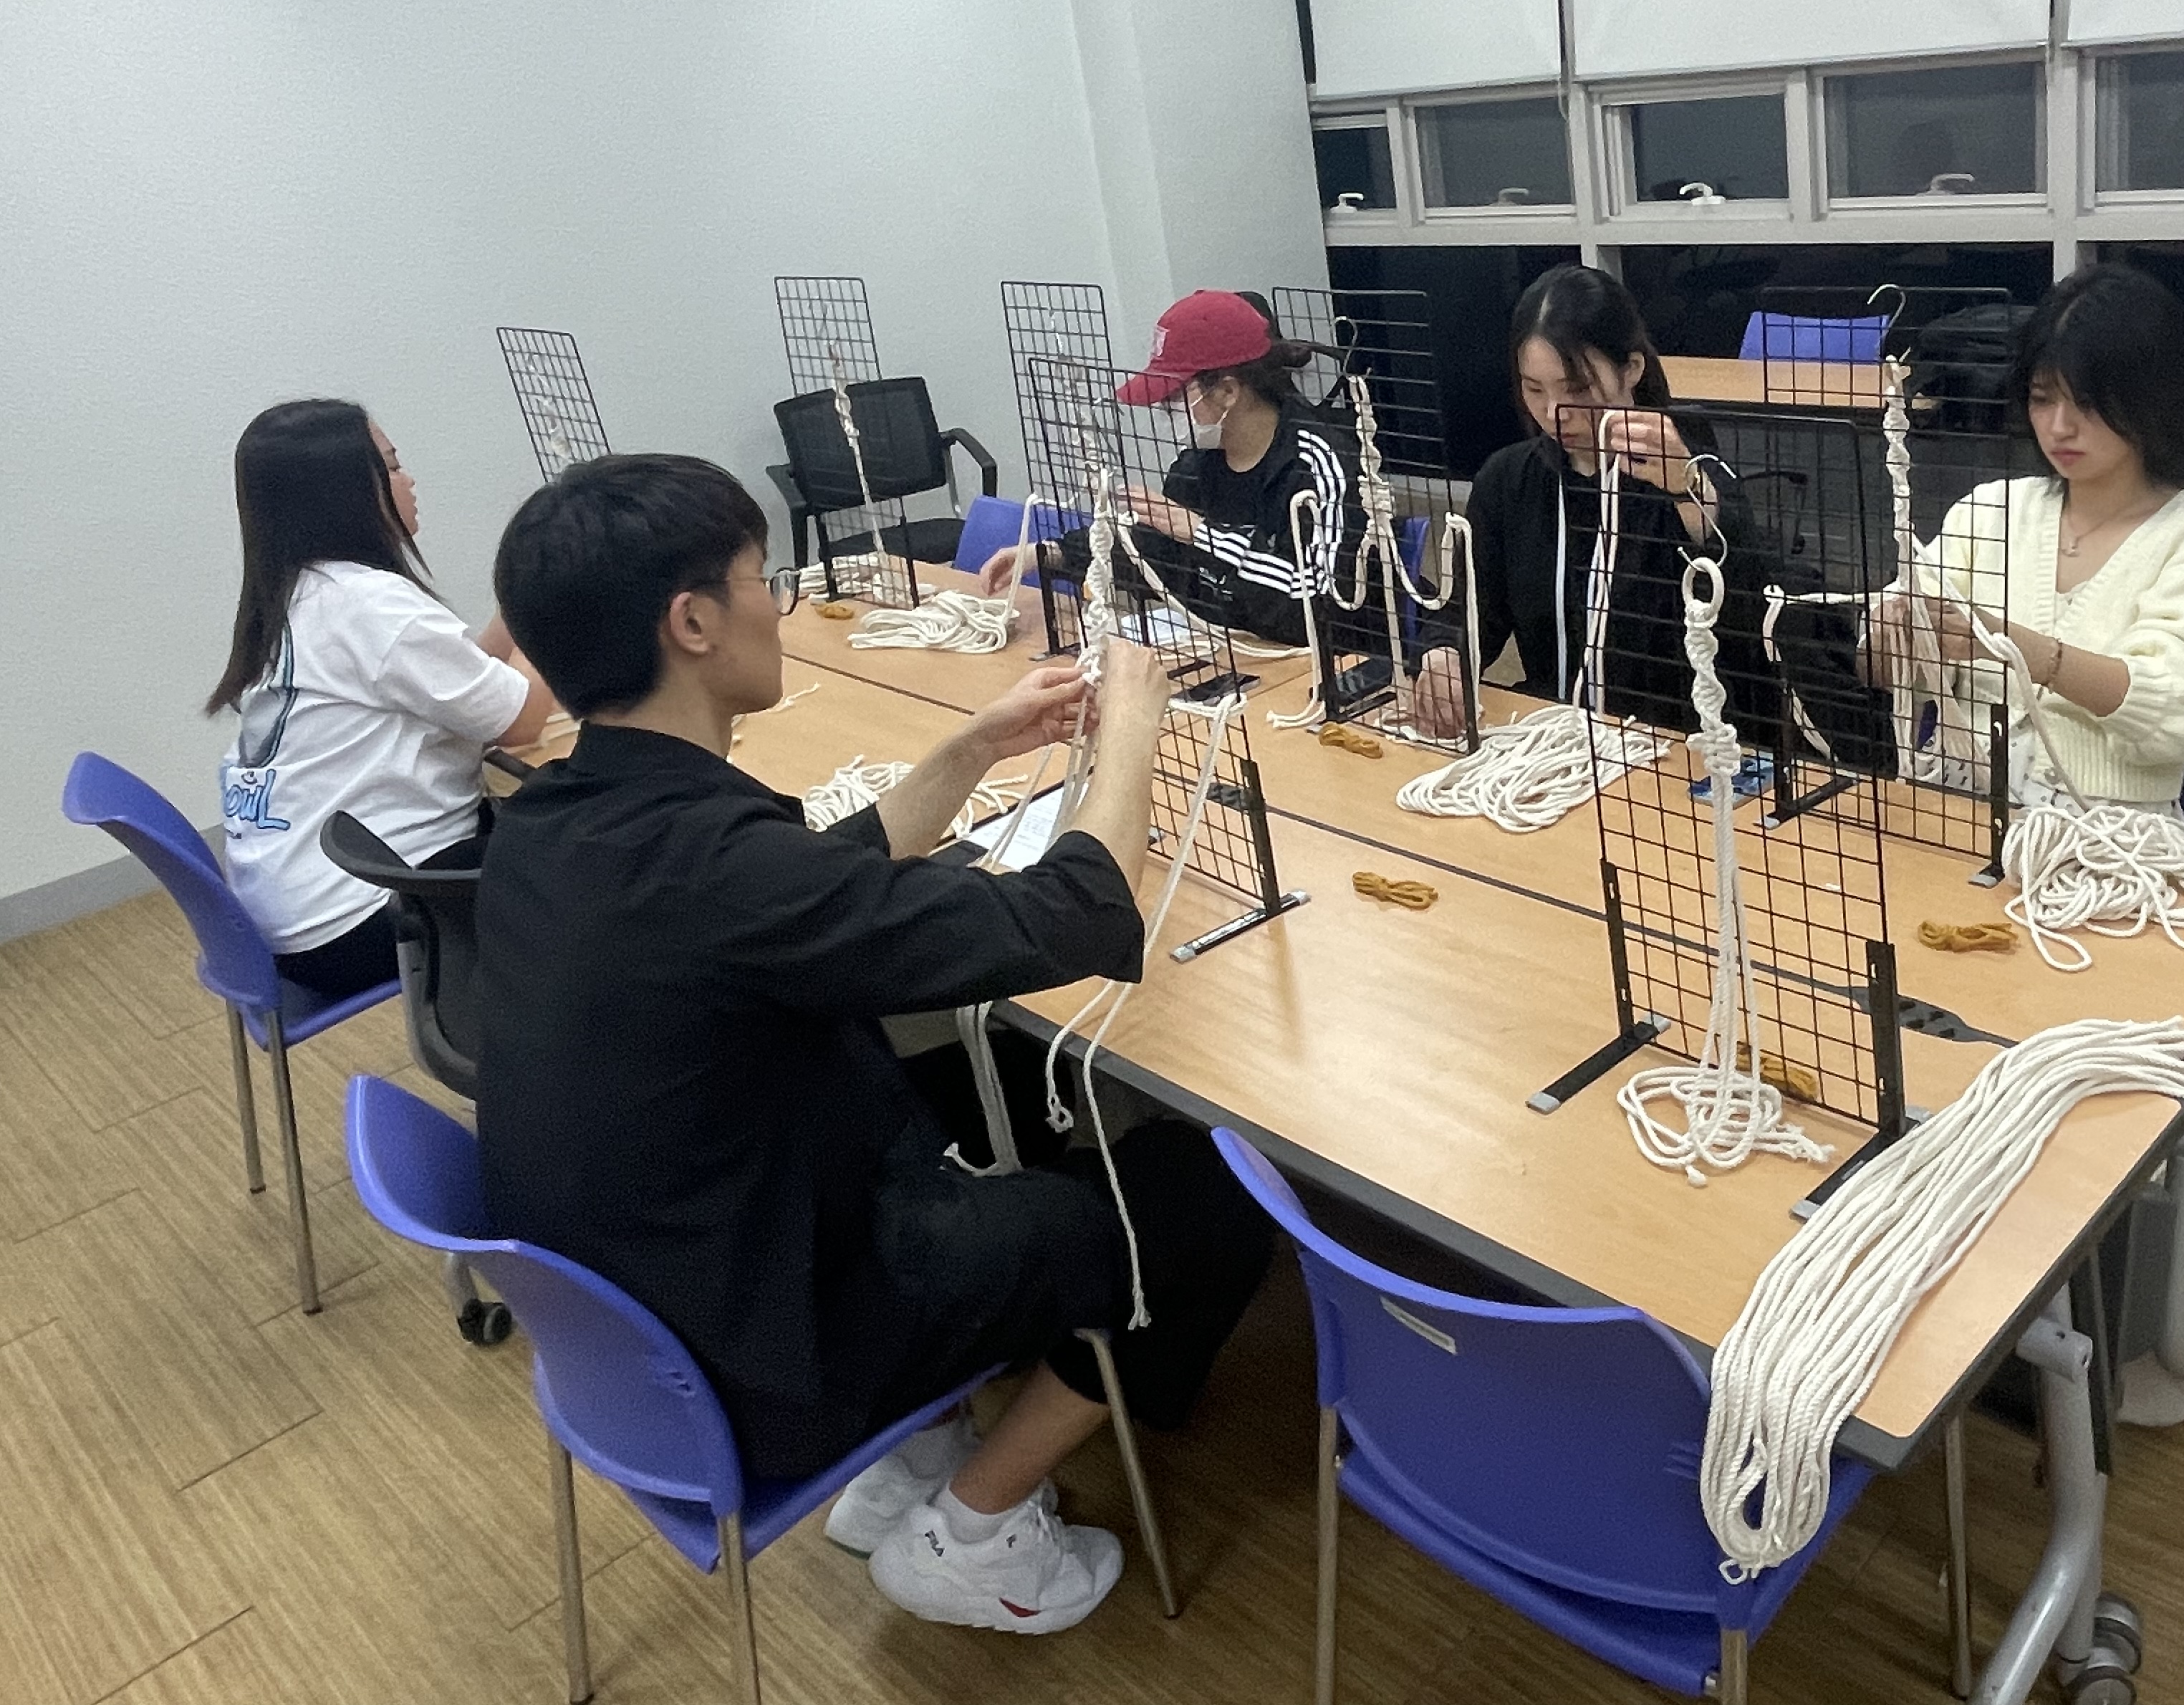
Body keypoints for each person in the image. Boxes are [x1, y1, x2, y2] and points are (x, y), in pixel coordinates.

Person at [478, 455, 1272, 1638]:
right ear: (692, 623)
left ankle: (919, 1444)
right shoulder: (716, 868)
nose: (779, 602)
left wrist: (975, 747)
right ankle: (974, 1528)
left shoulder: (558, 816)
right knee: (1202, 1192)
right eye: (761, 578)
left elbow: (814, 883)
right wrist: (1134, 738)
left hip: (646, 1315)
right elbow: (1081, 913)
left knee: (986, 1076)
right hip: (759, 1362)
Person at [1877, 263, 2184, 812]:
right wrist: (1888, 635)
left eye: (2086, 402)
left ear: (2154, 398)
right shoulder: (1990, 510)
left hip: (2112, 828)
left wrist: (2013, 646)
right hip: (1960, 809)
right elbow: (1888, 672)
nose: (2059, 426)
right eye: (2041, 398)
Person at [208, 399, 552, 998]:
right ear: (344, 494)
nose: (409, 480)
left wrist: (525, 602)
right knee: (610, 852)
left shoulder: (304, 593)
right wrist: (559, 609)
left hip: (296, 909)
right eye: (392, 467)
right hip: (363, 917)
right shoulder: (371, 608)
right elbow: (521, 720)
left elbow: (462, 679)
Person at [1405, 264, 1761, 736]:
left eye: (1577, 389)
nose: (1555, 413)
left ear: (1632, 369)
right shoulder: (1509, 481)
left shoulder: (1687, 469)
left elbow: (1751, 608)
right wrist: (1445, 651)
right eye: (1533, 389)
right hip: (1557, 736)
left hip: (1674, 745)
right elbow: (1470, 611)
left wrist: (1688, 491)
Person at [979, 289, 1360, 651]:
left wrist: (1203, 534)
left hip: (1318, 662)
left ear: (1228, 391)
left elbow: (1324, 602)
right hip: (1226, 647)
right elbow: (1155, 548)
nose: (1164, 411)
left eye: (1174, 397)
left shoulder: (1320, 465)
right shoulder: (1197, 464)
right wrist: (1052, 553)